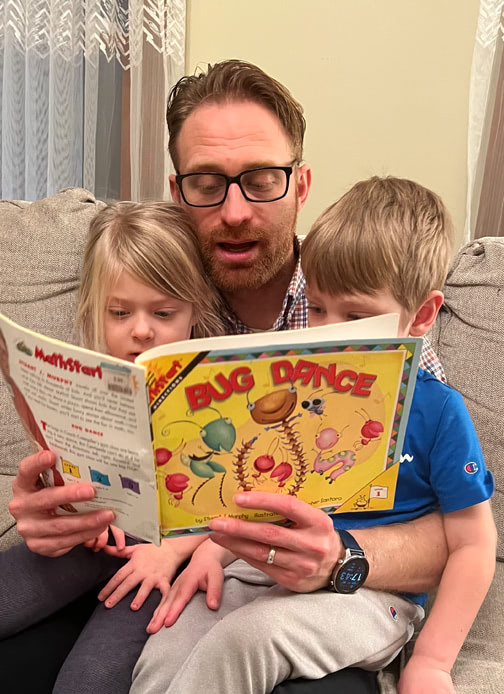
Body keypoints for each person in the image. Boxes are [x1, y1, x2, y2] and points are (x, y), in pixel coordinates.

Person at [6, 60, 449, 694]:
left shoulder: (364, 316)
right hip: (127, 563)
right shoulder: (158, 293)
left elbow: (453, 526)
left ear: (300, 185)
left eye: (261, 180)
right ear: (178, 190)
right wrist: (46, 504)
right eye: (208, 183)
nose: (235, 211)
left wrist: (344, 559)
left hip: (297, 592)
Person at [130, 176, 496, 694]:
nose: (329, 331)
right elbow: (269, 501)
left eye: (357, 315)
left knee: (248, 639)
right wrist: (212, 552)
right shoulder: (302, 387)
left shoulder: (438, 408)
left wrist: (432, 662)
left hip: (371, 596)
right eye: (319, 308)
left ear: (421, 316)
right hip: (266, 571)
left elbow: (475, 543)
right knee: (168, 642)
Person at [0, 201, 226, 693]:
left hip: (163, 555)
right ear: (94, 311)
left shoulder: (219, 387)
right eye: (120, 312)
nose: (141, 330)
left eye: (164, 313)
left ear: (195, 310)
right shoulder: (88, 374)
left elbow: (228, 504)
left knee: (89, 679)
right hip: (92, 533)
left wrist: (170, 552)